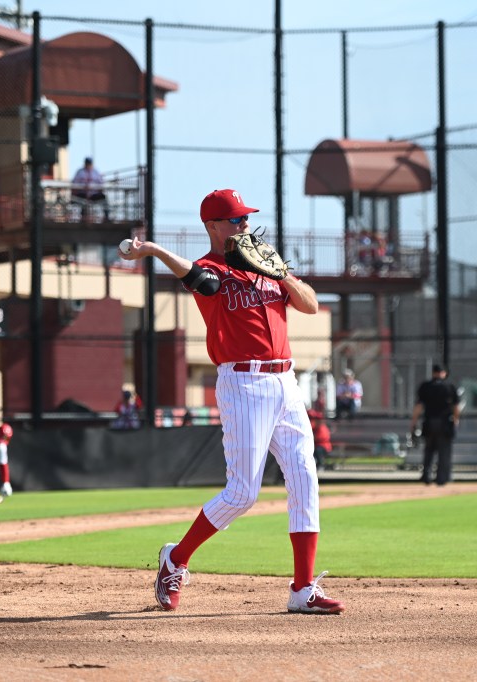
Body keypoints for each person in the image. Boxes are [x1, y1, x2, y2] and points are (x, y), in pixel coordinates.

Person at [119, 187, 343, 615]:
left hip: (286, 382)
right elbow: (197, 279)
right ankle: (176, 558)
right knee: (242, 494)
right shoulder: (212, 268)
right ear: (213, 226)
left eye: (246, 218)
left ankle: (302, 589)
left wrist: (281, 274)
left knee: (305, 479)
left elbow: (311, 305)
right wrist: (154, 251)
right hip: (244, 383)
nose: (244, 224)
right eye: (236, 219)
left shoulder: (265, 266)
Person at [408, 364, 461, 486]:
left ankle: (426, 476)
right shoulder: (450, 386)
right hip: (445, 422)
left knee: (429, 450)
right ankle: (442, 478)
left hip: (429, 421)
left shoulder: (426, 386)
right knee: (444, 452)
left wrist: (413, 421)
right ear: (444, 373)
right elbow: (456, 407)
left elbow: (419, 406)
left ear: (433, 373)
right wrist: (456, 420)